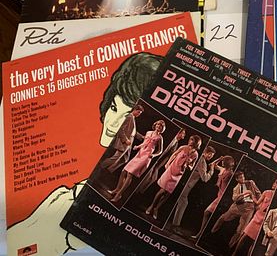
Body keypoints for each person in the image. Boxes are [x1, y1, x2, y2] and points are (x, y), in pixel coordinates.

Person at [7, 52, 163, 254]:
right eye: (113, 107)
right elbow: (21, 247)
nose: (113, 123)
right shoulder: (67, 199)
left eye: (126, 115)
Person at [108, 119, 165, 202]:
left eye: (160, 126)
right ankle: (117, 189)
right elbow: (144, 143)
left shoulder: (160, 138)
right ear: (155, 125)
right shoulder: (148, 132)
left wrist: (153, 155)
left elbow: (160, 150)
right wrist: (137, 147)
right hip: (140, 154)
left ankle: (119, 194)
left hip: (146, 157)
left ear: (162, 128)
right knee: (124, 171)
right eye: (158, 124)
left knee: (130, 174)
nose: (158, 126)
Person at [146, 135, 202, 219]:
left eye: (193, 140)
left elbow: (191, 167)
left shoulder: (195, 154)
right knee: (162, 190)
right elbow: (174, 154)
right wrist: (167, 163)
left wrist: (188, 165)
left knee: (168, 193)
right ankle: (152, 206)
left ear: (196, 143)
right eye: (190, 139)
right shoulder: (183, 147)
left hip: (179, 174)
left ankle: (156, 209)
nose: (190, 141)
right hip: (171, 170)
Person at [232, 179, 277, 256]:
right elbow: (257, 203)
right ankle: (234, 253)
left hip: (265, 222)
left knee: (254, 243)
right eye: (274, 183)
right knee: (244, 236)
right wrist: (251, 194)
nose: (273, 184)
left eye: (276, 184)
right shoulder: (266, 192)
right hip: (257, 218)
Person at [171, 146, 217, 233]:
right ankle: (174, 226)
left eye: (212, 156)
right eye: (210, 154)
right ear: (206, 152)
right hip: (187, 185)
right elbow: (205, 178)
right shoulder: (202, 162)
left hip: (185, 184)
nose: (210, 157)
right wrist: (211, 170)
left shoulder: (201, 160)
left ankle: (174, 225)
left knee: (182, 203)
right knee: (183, 203)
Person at [211, 171, 261, 248]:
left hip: (249, 208)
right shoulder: (235, 188)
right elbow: (235, 199)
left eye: (243, 177)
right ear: (237, 179)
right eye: (240, 178)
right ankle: (212, 231)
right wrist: (244, 194)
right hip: (237, 207)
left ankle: (230, 247)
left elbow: (258, 193)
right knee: (223, 217)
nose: (243, 179)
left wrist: (258, 204)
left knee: (240, 231)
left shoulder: (250, 183)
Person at [192, 155, 235, 241]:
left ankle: (201, 235)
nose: (222, 162)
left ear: (228, 163)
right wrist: (219, 158)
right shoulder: (223, 169)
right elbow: (211, 164)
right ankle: (200, 235)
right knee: (207, 213)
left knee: (208, 213)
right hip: (219, 195)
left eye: (223, 161)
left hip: (223, 198)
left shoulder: (230, 174)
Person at [137, 128, 186, 193]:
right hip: (155, 158)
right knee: (148, 175)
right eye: (183, 133)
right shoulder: (171, 138)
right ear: (179, 132)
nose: (184, 135)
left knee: (153, 177)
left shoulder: (176, 143)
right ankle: (138, 190)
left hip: (160, 162)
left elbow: (169, 155)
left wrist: (161, 165)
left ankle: (141, 191)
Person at [100, 104, 144, 173]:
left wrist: (142, 137)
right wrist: (125, 140)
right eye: (138, 112)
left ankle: (109, 170)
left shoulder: (132, 118)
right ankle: (101, 166)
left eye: (140, 113)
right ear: (135, 110)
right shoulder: (129, 117)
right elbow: (120, 129)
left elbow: (133, 132)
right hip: (126, 141)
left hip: (130, 141)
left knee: (125, 159)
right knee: (115, 158)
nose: (139, 114)